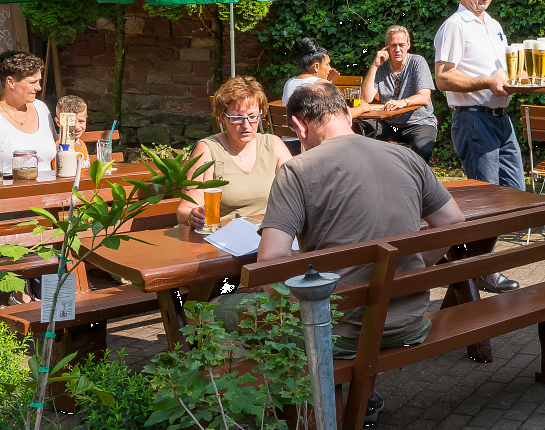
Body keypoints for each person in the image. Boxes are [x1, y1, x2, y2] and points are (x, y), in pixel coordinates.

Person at [253, 81, 466, 425]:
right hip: (408, 321)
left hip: (342, 333)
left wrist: (290, 311)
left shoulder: (297, 169)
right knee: (358, 296)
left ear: (299, 126)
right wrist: (410, 267)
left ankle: (299, 410)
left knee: (227, 310)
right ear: (348, 115)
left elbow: (272, 262)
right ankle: (363, 400)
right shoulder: (406, 155)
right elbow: (454, 223)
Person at [433, 0, 521, 294]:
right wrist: (486, 81)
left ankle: (467, 262)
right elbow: (443, 78)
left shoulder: (494, 25)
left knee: (514, 193)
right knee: (487, 198)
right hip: (473, 118)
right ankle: (480, 269)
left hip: (501, 119)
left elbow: (500, 73)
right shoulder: (455, 26)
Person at [178, 76, 292, 228]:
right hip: (225, 236)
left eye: (252, 116)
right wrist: (194, 216)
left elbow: (296, 192)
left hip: (269, 232)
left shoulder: (273, 145)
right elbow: (184, 210)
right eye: (237, 118)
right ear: (222, 118)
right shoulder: (208, 149)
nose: (246, 125)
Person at [358, 25, 438, 162]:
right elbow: (366, 98)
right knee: (357, 129)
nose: (397, 50)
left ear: (408, 45)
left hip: (418, 123)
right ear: (386, 46)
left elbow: (424, 97)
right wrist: (374, 66)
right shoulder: (381, 67)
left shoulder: (417, 62)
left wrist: (402, 102)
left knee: (422, 148)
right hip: (388, 124)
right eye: (393, 45)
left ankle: (414, 181)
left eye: (401, 45)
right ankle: (376, 175)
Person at [0, 51, 57, 177]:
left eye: (38, 81)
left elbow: (56, 151)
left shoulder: (41, 108)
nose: (38, 87)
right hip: (9, 192)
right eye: (32, 82)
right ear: (10, 82)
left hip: (50, 192)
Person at [281, 37, 370, 154]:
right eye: (327, 64)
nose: (330, 69)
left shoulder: (289, 82)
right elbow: (341, 117)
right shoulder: (322, 85)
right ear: (316, 67)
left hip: (289, 144)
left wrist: (329, 84)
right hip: (311, 145)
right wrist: (363, 107)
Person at [56, 95, 90, 169]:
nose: (77, 127)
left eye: (81, 121)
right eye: (72, 122)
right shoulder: (61, 147)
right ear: (59, 122)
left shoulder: (82, 144)